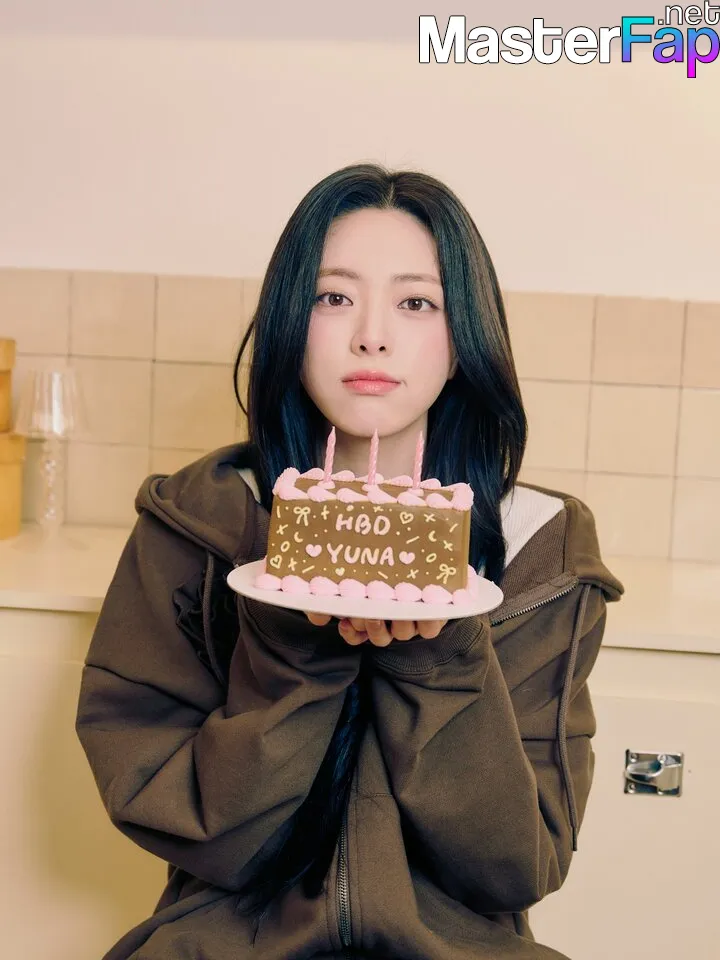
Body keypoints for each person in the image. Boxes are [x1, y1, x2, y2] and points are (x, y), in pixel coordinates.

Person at [75, 162, 624, 960]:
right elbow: (188, 825)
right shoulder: (198, 522)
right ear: (289, 323)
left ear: (463, 339)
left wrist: (442, 659)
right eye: (333, 297)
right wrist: (294, 651)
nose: (372, 334)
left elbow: (515, 867)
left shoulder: (540, 548)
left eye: (416, 302)